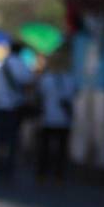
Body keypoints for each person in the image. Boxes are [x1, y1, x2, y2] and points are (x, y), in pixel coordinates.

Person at [0, 42, 35, 179]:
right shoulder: (22, 64)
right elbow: (29, 81)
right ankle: (8, 170)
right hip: (14, 108)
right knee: (12, 141)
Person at [35, 49, 76, 181]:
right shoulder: (70, 80)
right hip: (64, 119)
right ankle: (59, 174)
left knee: (45, 147)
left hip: (48, 118)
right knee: (61, 149)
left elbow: (40, 97)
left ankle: (42, 173)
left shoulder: (46, 79)